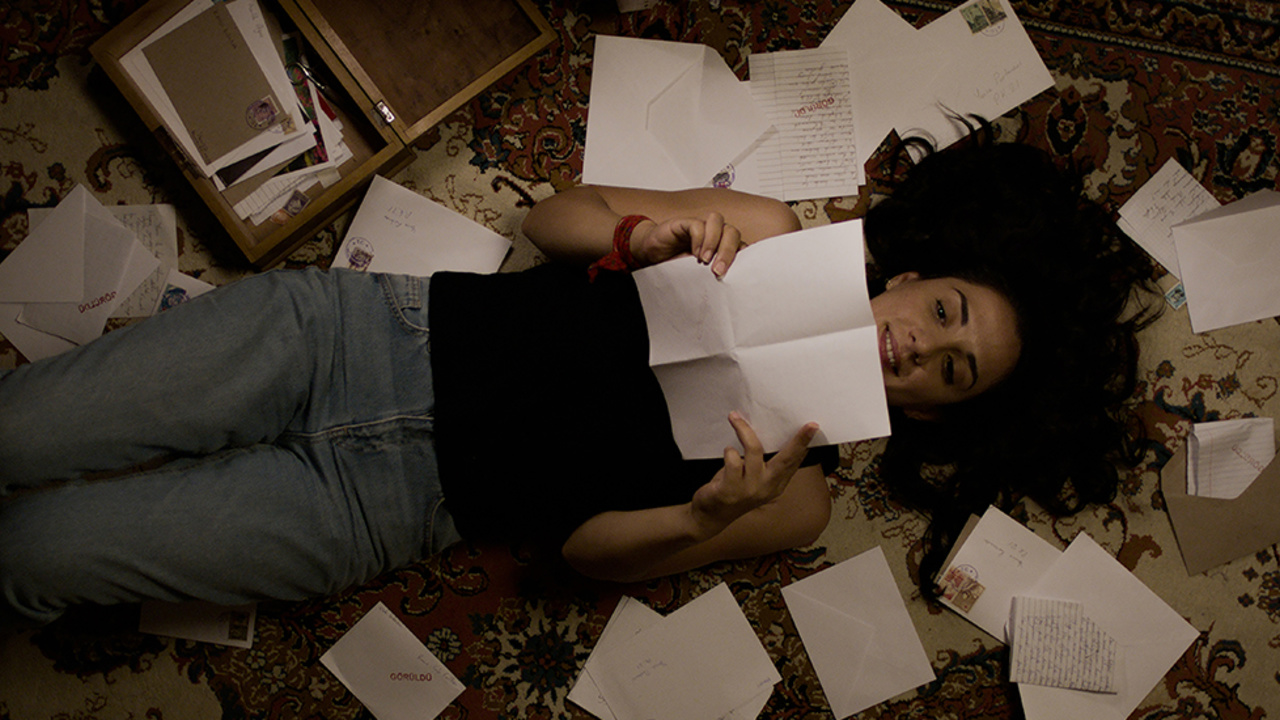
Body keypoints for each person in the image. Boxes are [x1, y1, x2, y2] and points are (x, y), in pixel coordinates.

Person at [0, 123, 1152, 629]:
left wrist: (706, 514)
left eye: (951, 373)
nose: (919, 349)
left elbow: (582, 560)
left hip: (373, 507)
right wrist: (643, 237)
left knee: (34, 552)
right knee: (15, 438)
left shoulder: (799, 496)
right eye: (941, 315)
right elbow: (545, 216)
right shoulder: (765, 230)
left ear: (938, 413)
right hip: (355, 337)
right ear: (915, 276)